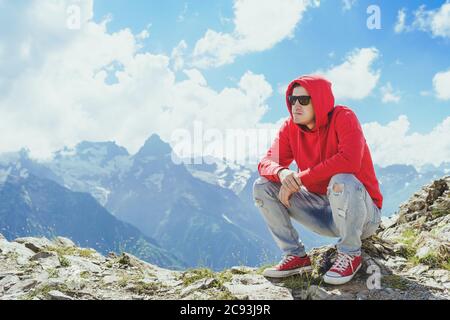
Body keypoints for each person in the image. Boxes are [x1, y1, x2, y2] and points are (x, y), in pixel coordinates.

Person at [253, 75, 383, 285]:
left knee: (342, 180)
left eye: (303, 100)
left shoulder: (344, 117)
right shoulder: (290, 127)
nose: (295, 105)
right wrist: (283, 174)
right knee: (263, 186)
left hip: (363, 216)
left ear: (320, 101)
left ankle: (350, 253)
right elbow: (266, 162)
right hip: (321, 210)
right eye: (292, 100)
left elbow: (349, 161)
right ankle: (296, 257)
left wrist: (299, 178)